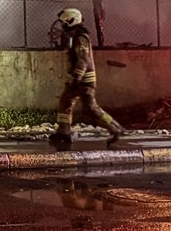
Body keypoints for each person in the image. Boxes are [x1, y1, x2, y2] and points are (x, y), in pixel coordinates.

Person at [48, 8, 125, 151]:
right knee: (65, 102)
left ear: (71, 21)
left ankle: (115, 128)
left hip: (84, 80)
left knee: (91, 109)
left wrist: (77, 77)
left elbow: (83, 59)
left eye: (64, 23)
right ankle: (64, 132)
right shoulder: (74, 36)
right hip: (77, 79)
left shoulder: (80, 38)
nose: (62, 26)